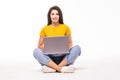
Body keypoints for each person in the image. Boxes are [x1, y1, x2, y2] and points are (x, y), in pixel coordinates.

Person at [33, 5, 81, 73]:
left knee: (77, 48)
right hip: (50, 58)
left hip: (63, 58)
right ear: (49, 16)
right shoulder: (44, 29)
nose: (55, 16)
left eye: (57, 14)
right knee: (35, 51)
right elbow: (39, 46)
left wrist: (64, 48)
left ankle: (53, 68)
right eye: (52, 14)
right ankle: (61, 69)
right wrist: (47, 48)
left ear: (60, 16)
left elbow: (70, 43)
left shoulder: (66, 27)